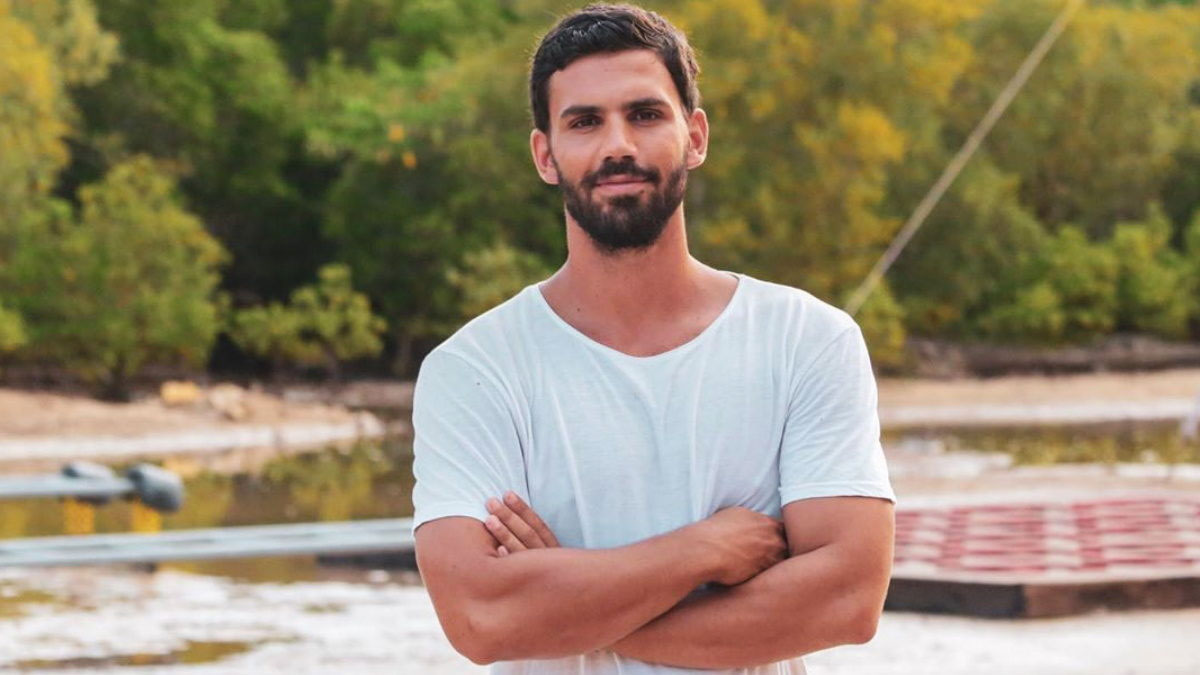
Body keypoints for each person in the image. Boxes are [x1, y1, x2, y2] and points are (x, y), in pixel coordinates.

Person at [410, 4, 896, 673]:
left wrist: (562, 606)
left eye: (644, 114)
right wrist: (705, 550)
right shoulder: (474, 370)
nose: (618, 146)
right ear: (545, 155)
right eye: (585, 122)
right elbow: (480, 617)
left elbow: (846, 600)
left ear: (694, 136)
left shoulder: (808, 340)